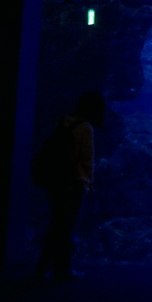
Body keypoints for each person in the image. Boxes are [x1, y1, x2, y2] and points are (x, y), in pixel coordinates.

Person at [36, 91, 104, 281]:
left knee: (56, 223)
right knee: (68, 227)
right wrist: (89, 183)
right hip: (74, 183)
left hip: (55, 180)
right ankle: (63, 269)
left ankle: (43, 266)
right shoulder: (85, 128)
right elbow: (87, 160)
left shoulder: (64, 121)